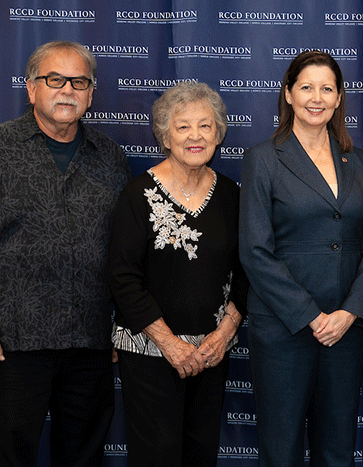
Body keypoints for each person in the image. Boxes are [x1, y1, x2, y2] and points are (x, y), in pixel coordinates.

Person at [0, 41, 130, 466]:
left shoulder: (111, 158)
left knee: (83, 458)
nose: (67, 90)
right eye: (54, 79)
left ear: (91, 93)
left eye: (79, 82)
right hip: (9, 343)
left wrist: (118, 326)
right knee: (10, 458)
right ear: (31, 89)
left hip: (89, 342)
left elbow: (124, 250)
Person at [239, 50, 363, 467]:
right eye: (306, 87)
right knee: (282, 450)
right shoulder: (263, 158)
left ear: (339, 98)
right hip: (285, 329)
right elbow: (254, 249)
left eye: (327, 88)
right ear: (288, 94)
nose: (316, 97)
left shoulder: (356, 161)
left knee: (337, 450)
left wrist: (349, 313)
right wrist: (310, 315)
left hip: (345, 331)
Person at [106, 81, 248, 467]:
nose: (195, 136)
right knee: (157, 459)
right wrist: (169, 343)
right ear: (164, 137)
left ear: (218, 134)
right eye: (183, 127)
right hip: (153, 356)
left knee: (201, 456)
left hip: (212, 354)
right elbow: (122, 277)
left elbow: (248, 271)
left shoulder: (233, 196)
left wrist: (225, 333)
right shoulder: (137, 194)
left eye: (205, 126)